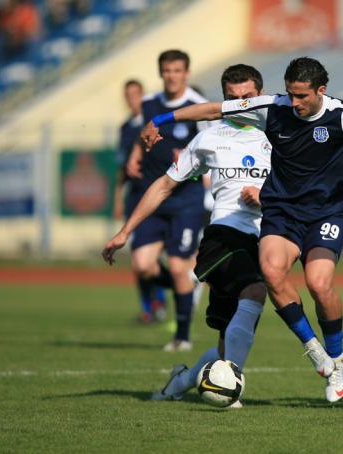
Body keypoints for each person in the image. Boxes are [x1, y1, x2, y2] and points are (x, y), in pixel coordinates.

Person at [141, 57, 343, 402]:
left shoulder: (342, 116)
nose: (293, 103)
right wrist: (161, 118)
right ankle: (315, 351)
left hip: (325, 215)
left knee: (319, 284)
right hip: (280, 211)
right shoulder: (273, 106)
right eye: (290, 94)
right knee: (271, 272)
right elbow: (213, 110)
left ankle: (337, 358)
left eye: (301, 97)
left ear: (321, 91)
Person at [103, 64, 270, 407]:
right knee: (255, 290)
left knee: (227, 341)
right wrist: (124, 232)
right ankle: (230, 383)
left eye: (248, 98)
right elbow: (163, 186)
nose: (241, 105)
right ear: (223, 100)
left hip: (267, 237)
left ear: (261, 94)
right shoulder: (209, 138)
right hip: (225, 233)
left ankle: (180, 383)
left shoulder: (278, 134)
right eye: (232, 99)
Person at [124, 49, 210, 352]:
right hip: (154, 194)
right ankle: (184, 288)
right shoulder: (150, 104)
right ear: (161, 73)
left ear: (186, 73)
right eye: (167, 70)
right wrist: (135, 156)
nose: (171, 75)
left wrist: (190, 162)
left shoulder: (200, 107)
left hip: (186, 197)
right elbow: (143, 135)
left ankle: (182, 336)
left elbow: (211, 146)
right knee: (142, 265)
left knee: (177, 266)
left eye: (177, 70)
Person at [113, 79, 167, 324]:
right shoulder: (125, 127)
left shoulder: (155, 122)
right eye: (128, 95)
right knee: (140, 259)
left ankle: (166, 295)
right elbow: (121, 167)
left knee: (163, 257)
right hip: (135, 196)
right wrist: (118, 198)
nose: (131, 99)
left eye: (135, 94)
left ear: (142, 96)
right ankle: (150, 306)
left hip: (157, 193)